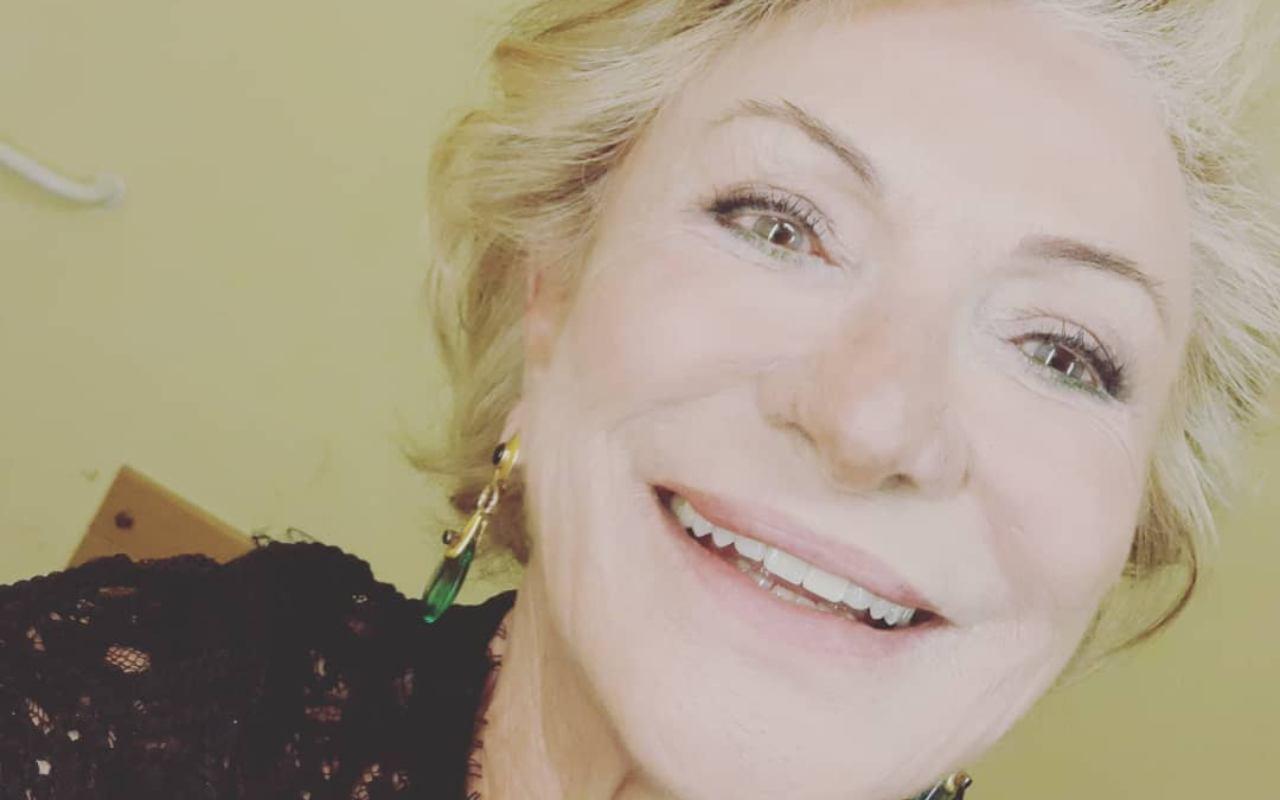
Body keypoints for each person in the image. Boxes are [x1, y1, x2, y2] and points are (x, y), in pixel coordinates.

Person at [3, 1, 1278, 798]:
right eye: (777, 224)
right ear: (549, 294)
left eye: (1062, 352)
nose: (872, 421)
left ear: (1126, 530)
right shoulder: (119, 716)